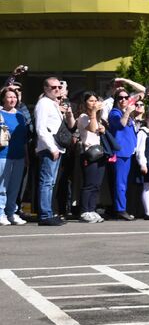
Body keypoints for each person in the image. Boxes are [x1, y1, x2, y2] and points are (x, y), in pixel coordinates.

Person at [32, 78, 68, 226]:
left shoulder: (52, 103)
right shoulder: (43, 104)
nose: (57, 89)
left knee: (50, 182)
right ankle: (45, 214)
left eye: (59, 87)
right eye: (53, 87)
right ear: (45, 88)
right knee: (47, 182)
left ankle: (48, 212)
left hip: (55, 147)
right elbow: (40, 128)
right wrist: (52, 148)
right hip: (49, 148)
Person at [106, 89, 141, 220]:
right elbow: (120, 125)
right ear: (116, 100)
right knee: (120, 183)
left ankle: (121, 208)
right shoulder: (115, 113)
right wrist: (127, 112)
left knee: (124, 183)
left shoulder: (126, 113)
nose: (124, 100)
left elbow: (143, 91)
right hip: (120, 153)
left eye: (126, 97)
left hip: (128, 152)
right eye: (120, 98)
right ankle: (120, 209)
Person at [75, 91, 108, 224]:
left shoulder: (97, 117)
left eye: (95, 101)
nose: (94, 103)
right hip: (89, 153)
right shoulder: (83, 117)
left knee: (97, 184)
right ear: (85, 103)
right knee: (89, 183)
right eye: (91, 101)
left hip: (99, 152)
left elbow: (100, 129)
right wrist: (94, 113)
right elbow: (93, 128)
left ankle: (92, 208)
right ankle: (84, 211)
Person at [0, 84, 30, 225]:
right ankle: (1, 213)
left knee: (15, 186)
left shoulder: (20, 115)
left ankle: (11, 212)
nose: (12, 99)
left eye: (14, 97)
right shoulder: (0, 113)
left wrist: (26, 156)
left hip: (19, 155)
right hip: (3, 154)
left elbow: (24, 138)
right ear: (3, 99)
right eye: (9, 97)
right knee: (2, 186)